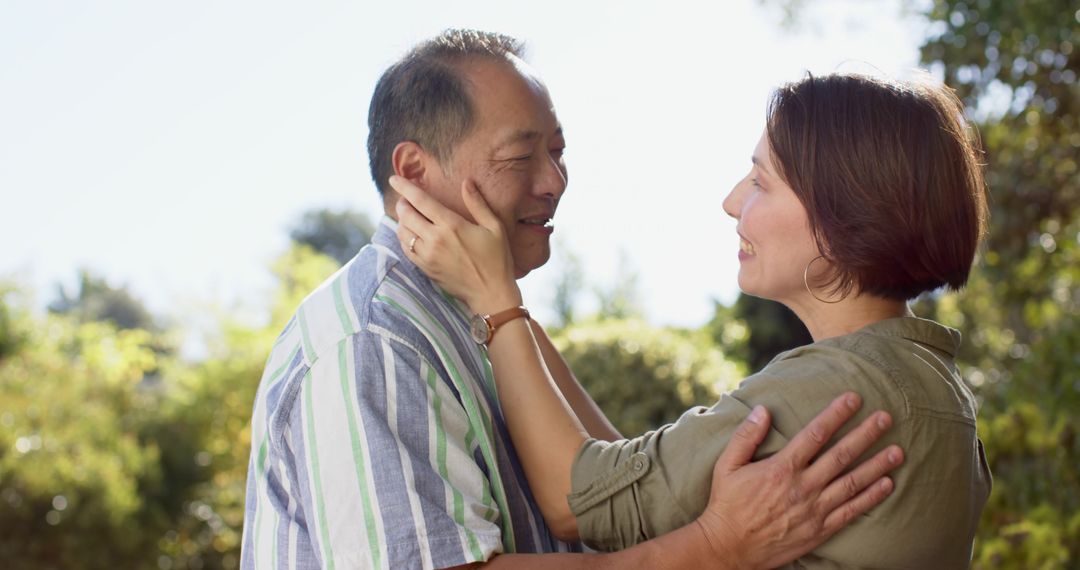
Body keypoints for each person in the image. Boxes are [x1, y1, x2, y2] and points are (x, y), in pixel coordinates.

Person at [240, 29, 905, 570]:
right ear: (414, 172)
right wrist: (718, 547)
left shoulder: (480, 319)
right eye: (521, 156)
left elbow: (613, 496)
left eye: (559, 153)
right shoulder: (373, 340)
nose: (554, 181)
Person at [392, 70, 993, 568]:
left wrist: (497, 303)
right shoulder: (924, 380)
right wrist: (505, 301)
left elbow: (581, 503)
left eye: (762, 181)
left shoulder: (834, 388)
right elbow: (629, 478)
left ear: (841, 220)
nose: (732, 201)